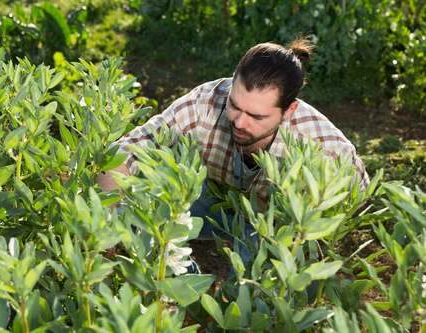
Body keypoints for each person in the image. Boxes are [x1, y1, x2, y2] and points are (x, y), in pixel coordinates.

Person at [97, 37, 370, 275]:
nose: (239, 122)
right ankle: (190, 292)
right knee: (138, 195)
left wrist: (294, 225)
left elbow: (355, 194)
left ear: (289, 111)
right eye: (235, 106)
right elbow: (125, 152)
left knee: (250, 295)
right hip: (210, 198)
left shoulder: (324, 147)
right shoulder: (204, 102)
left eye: (256, 116)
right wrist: (104, 225)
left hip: (272, 224)